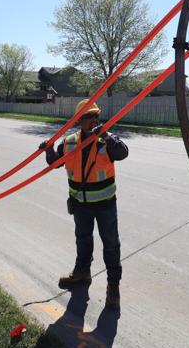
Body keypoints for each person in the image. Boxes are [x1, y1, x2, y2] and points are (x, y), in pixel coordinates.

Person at [39, 99, 128, 310]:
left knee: (111, 245)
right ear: (80, 120)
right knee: (83, 240)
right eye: (89, 116)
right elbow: (56, 163)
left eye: (96, 116)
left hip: (105, 204)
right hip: (80, 204)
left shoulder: (107, 140)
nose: (94, 120)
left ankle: (113, 286)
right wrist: (49, 150)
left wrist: (106, 135)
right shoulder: (69, 142)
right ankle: (82, 273)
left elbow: (122, 153)